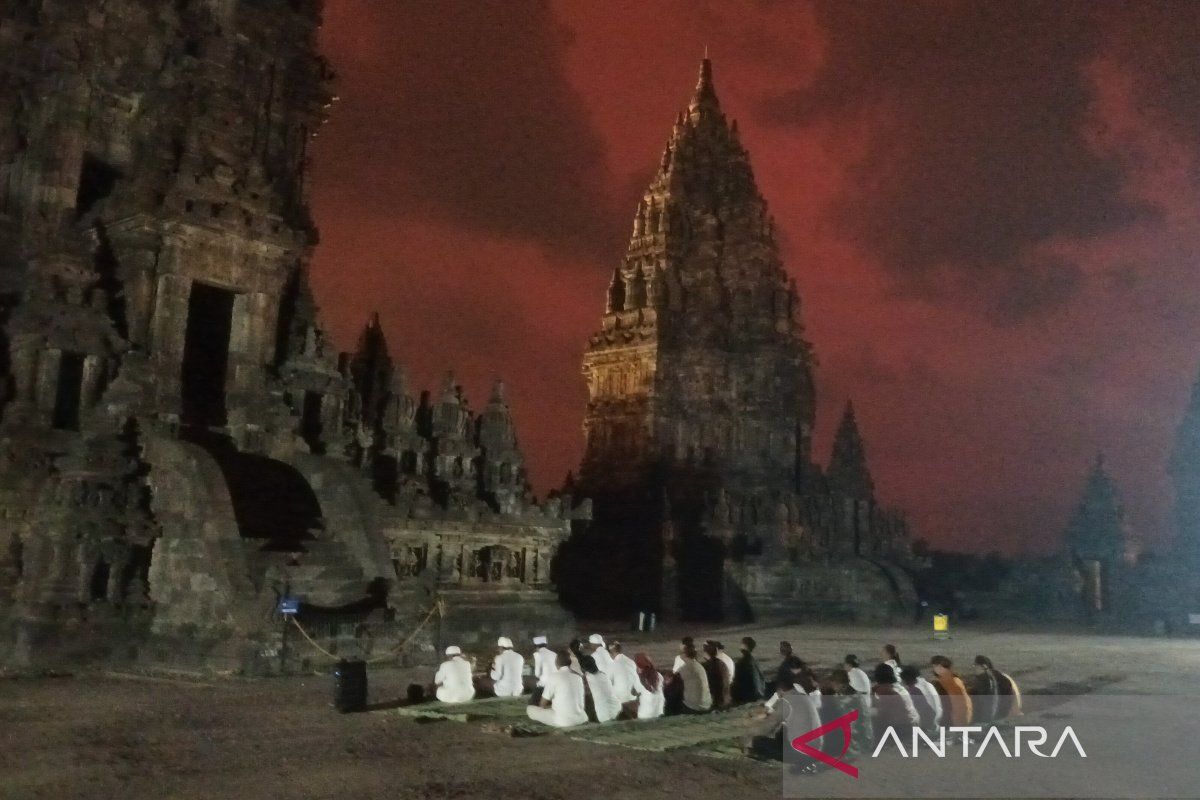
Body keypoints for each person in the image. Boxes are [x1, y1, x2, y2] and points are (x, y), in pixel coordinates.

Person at [744, 678, 821, 765]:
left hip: (801, 754)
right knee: (781, 731)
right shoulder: (803, 697)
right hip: (816, 748)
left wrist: (750, 734)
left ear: (780, 689)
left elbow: (768, 727)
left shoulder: (786, 701)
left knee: (757, 741)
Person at [527, 649, 588, 728]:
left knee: (530, 709)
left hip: (564, 721)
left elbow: (543, 703)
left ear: (556, 663)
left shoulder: (554, 677)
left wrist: (541, 710)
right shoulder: (578, 677)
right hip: (581, 718)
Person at [871, 663, 918, 740]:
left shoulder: (884, 691)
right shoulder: (897, 688)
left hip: (902, 729)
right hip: (910, 725)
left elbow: (881, 713)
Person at [930, 655, 973, 726]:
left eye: (935, 666)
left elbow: (945, 704)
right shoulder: (956, 680)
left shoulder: (942, 683)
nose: (934, 669)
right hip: (964, 716)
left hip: (952, 720)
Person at [581, 650, 622, 722]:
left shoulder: (587, 678)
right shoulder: (603, 674)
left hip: (604, 715)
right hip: (617, 708)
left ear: (583, 668)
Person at [976, 655, 1022, 719]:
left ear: (983, 667)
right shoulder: (1004, 676)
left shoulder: (990, 680)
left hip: (1007, 714)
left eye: (975, 666)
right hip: (1013, 711)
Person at [899, 665, 941, 730]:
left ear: (904, 680)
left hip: (923, 725)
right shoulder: (923, 687)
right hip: (931, 720)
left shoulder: (911, 692)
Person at [676, 642, 712, 714]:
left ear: (684, 654)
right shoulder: (699, 666)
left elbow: (675, 683)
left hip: (695, 706)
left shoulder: (686, 668)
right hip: (706, 703)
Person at [731, 636, 767, 704]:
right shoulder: (754, 661)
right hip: (758, 693)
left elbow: (738, 682)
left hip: (749, 696)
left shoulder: (742, 663)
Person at [607, 640, 641, 708]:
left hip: (619, 699)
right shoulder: (631, 662)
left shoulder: (612, 664)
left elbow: (607, 682)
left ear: (610, 653)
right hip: (632, 697)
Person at [632, 652, 665, 720]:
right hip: (658, 712)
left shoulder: (638, 678)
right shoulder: (659, 675)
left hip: (645, 715)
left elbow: (633, 692)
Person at [968, 654, 999, 723]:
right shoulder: (987, 678)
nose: (974, 667)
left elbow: (983, 700)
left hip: (983, 719)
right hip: (986, 716)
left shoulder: (985, 680)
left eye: (976, 665)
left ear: (983, 666)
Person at [702, 640, 732, 709]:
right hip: (726, 699)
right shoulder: (722, 664)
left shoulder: (707, 666)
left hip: (716, 701)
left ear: (706, 653)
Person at [530, 635, 556, 700]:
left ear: (536, 646)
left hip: (544, 686)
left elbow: (537, 674)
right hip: (555, 684)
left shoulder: (537, 654)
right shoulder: (554, 654)